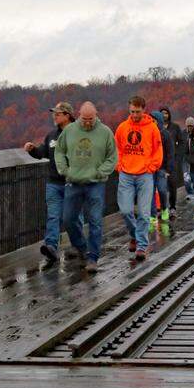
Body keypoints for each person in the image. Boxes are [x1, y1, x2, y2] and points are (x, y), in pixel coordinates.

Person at [55, 102, 117, 273]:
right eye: (84, 119)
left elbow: (112, 156)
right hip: (73, 182)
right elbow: (59, 151)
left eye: (91, 119)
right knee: (68, 218)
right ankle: (82, 247)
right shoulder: (69, 130)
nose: (87, 122)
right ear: (79, 116)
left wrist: (100, 172)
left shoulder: (105, 132)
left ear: (96, 115)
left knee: (95, 220)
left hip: (95, 183)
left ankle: (93, 258)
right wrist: (64, 169)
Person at [24, 101, 75, 265]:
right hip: (53, 183)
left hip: (73, 183)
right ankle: (51, 247)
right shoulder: (52, 135)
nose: (54, 116)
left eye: (58, 114)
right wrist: (32, 149)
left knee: (72, 217)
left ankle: (78, 245)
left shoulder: (78, 133)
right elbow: (42, 153)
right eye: (54, 114)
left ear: (67, 116)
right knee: (53, 216)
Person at [114, 95, 163, 261]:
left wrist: (152, 167)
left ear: (143, 110)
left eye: (137, 111)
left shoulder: (152, 128)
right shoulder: (122, 127)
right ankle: (134, 234)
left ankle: (141, 246)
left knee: (143, 212)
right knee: (126, 210)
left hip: (145, 175)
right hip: (126, 174)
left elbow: (158, 149)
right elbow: (117, 148)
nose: (134, 115)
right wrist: (119, 165)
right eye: (132, 112)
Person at [160, 107, 185, 217]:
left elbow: (181, 142)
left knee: (172, 184)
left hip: (172, 161)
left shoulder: (175, 127)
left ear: (169, 115)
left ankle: (172, 207)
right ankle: (163, 208)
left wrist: (177, 156)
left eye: (166, 113)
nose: (164, 115)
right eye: (162, 113)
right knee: (161, 187)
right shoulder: (156, 127)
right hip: (160, 161)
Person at [150, 112, 174, 224]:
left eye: (154, 120)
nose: (152, 122)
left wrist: (169, 169)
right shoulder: (147, 133)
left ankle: (164, 208)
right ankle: (152, 214)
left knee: (162, 189)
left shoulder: (165, 134)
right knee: (150, 192)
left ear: (158, 121)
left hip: (162, 167)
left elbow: (170, 152)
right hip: (149, 168)